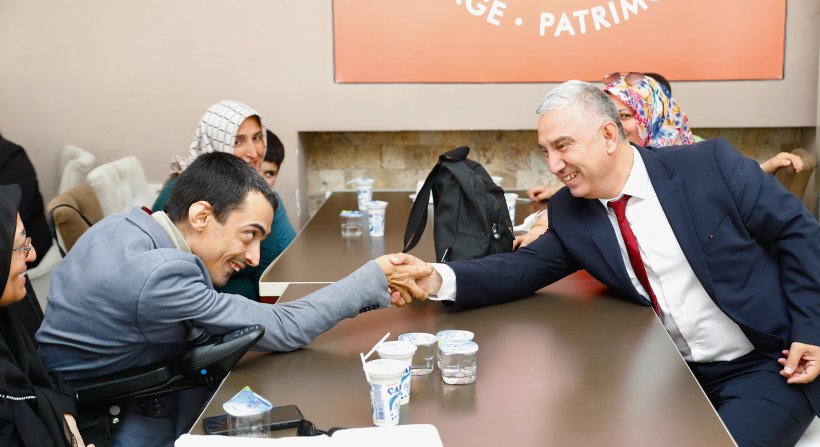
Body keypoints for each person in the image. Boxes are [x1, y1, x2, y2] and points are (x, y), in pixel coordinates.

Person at [403, 81, 820, 446]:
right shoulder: (571, 211)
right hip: (667, 372)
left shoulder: (708, 167)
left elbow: (799, 234)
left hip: (768, 366)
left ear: (607, 135)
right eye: (546, 151)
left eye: (563, 146)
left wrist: (811, 330)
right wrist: (435, 277)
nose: (553, 165)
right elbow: (522, 269)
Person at [36, 152, 430, 446]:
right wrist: (373, 277)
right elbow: (282, 327)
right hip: (115, 422)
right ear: (201, 216)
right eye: (249, 234)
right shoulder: (159, 275)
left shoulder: (122, 226)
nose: (255, 257)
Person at [521, 73, 805, 247]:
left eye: (625, 116)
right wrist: (548, 209)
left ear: (652, 115)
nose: (615, 126)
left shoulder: (696, 156)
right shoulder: (619, 164)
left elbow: (729, 186)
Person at [153, 100, 296, 300]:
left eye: (257, 138)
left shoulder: (254, 193)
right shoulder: (183, 191)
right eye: (238, 142)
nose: (253, 152)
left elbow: (286, 253)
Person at [0, 185, 91, 447]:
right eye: (20, 246)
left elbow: (45, 376)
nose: (32, 254)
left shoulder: (9, 311)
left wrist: (71, 433)